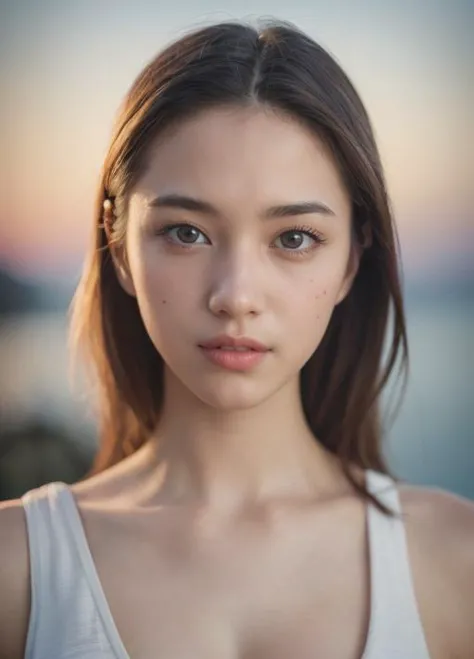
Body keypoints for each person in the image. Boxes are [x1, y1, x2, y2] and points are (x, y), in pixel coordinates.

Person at [0, 19, 473, 659]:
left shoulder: (453, 560)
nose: (235, 296)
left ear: (351, 263)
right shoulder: (17, 569)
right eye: (187, 232)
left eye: (294, 238)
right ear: (118, 245)